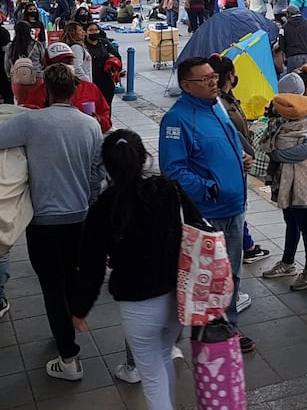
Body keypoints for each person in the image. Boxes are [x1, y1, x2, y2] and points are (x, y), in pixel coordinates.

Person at [72, 131, 194, 409]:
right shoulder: (168, 189)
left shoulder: (103, 208)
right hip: (177, 295)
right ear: (143, 158)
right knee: (164, 357)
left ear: (107, 165)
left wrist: (80, 309)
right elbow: (195, 226)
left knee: (151, 376)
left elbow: (90, 266)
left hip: (138, 304)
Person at [0, 63, 104, 380]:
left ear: (45, 90)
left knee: (51, 287)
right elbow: (95, 175)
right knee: (70, 277)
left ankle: (68, 356)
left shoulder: (30, 122)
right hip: (79, 218)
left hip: (43, 222)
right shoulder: (90, 125)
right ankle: (72, 320)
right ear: (75, 90)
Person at [158, 56, 256, 353]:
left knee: (233, 274)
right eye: (206, 79)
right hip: (207, 212)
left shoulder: (216, 107)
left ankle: (228, 329)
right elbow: (172, 170)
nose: (215, 82)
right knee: (210, 277)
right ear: (187, 85)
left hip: (234, 207)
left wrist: (241, 160)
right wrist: (209, 188)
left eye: (214, 76)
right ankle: (210, 334)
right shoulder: (177, 119)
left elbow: (222, 147)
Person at [258, 82, 307, 292]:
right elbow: (270, 138)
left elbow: (306, 150)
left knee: (305, 223)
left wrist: (277, 155)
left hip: (306, 178)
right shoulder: (283, 117)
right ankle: (287, 262)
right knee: (290, 219)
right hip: (285, 177)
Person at [208, 55, 272, 265]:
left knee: (238, 206)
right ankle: (244, 247)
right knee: (235, 207)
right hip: (231, 163)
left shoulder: (227, 98)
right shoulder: (217, 103)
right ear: (229, 76)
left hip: (239, 161)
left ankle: (246, 245)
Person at [23, 43, 112, 132]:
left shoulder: (90, 88)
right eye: (61, 63)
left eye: (69, 62)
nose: (66, 67)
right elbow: (28, 125)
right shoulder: (35, 95)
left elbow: (106, 119)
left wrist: (97, 120)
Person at [4, 21, 45, 104]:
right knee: (37, 103)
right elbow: (43, 61)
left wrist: (10, 76)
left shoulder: (11, 47)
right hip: (36, 77)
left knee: (21, 104)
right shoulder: (37, 45)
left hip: (17, 78)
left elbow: (7, 64)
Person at [280, 5, 307, 72]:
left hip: (292, 57)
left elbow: (281, 45)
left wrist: (288, 52)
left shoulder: (284, 27)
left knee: (295, 81)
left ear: (289, 14)